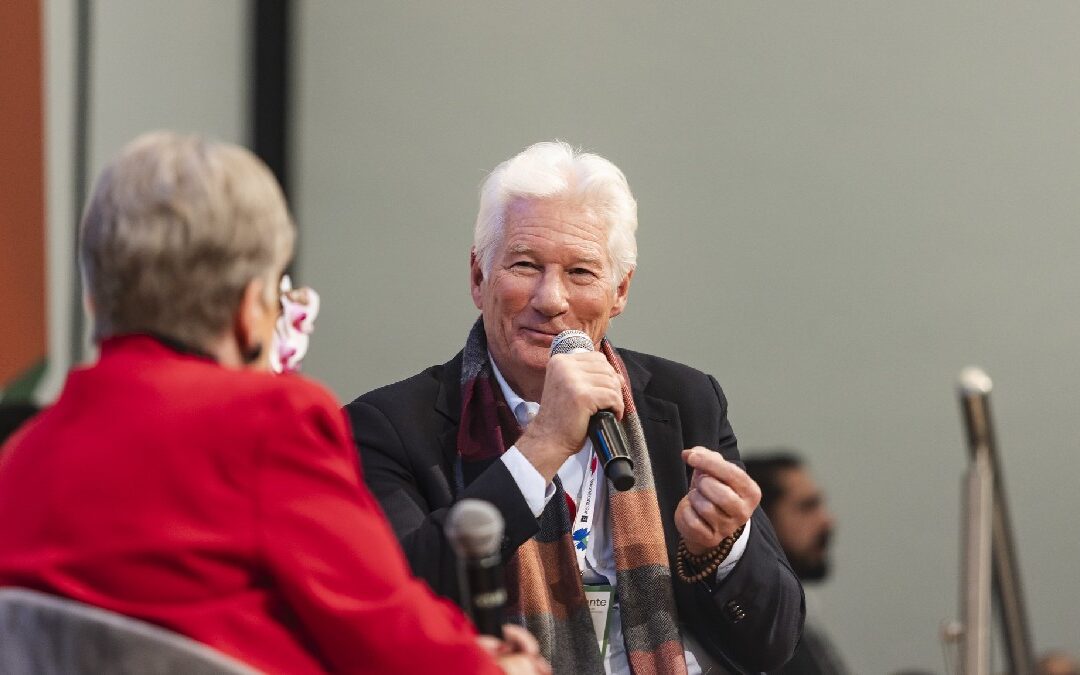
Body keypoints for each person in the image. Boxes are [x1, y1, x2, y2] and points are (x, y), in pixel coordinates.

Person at [0, 132, 548, 675]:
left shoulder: (23, 456)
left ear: (95, 298)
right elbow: (385, 634)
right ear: (250, 310)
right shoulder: (263, 425)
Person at [346, 141, 804, 674]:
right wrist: (542, 445)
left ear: (620, 291)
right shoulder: (392, 426)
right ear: (478, 278)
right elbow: (393, 609)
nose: (551, 298)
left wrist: (724, 549)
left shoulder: (684, 401)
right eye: (524, 265)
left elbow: (775, 644)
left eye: (581, 273)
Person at [744, 452, 847, 675]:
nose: (827, 521)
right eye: (807, 507)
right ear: (762, 519)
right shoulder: (753, 631)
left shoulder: (794, 613)